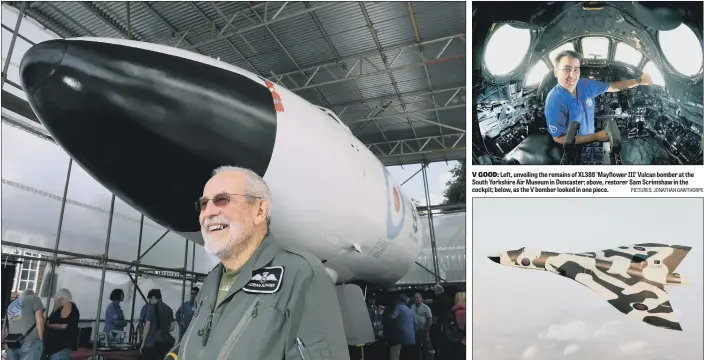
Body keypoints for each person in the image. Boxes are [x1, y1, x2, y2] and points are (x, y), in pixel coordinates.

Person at [176, 166, 349, 360]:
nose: (208, 212)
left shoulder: (301, 275)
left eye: (222, 200)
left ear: (259, 211)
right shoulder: (211, 281)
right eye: (204, 204)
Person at [545, 50, 653, 145]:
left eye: (576, 69)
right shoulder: (554, 100)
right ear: (556, 72)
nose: (572, 75)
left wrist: (639, 81)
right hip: (573, 146)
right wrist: (595, 137)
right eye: (567, 69)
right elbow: (558, 138)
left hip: (591, 137)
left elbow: (613, 86)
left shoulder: (586, 85)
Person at [4, 289, 45, 360]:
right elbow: (39, 319)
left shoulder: (11, 305)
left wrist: (3, 343)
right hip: (30, 341)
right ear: (32, 294)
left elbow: (4, 328)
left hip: (11, 344)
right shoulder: (34, 298)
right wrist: (41, 339)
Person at [44, 288, 80, 360]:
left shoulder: (68, 305)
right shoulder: (63, 308)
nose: (55, 299)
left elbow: (63, 325)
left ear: (62, 297)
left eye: (57, 296)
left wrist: (47, 325)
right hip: (57, 347)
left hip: (60, 346)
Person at [140, 289, 175, 360]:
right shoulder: (169, 309)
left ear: (153, 297)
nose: (150, 301)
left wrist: (142, 343)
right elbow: (172, 327)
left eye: (150, 299)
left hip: (150, 343)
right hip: (163, 343)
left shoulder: (151, 308)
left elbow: (147, 326)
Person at [390, 293, 415, 360]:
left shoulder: (398, 307)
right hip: (411, 335)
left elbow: (393, 317)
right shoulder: (408, 309)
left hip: (403, 335)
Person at [411, 293, 434, 360]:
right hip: (415, 331)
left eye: (417, 297)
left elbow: (430, 319)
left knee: (427, 347)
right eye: (415, 298)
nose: (416, 299)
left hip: (424, 331)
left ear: (421, 298)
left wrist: (426, 329)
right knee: (417, 348)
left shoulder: (426, 308)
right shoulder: (412, 307)